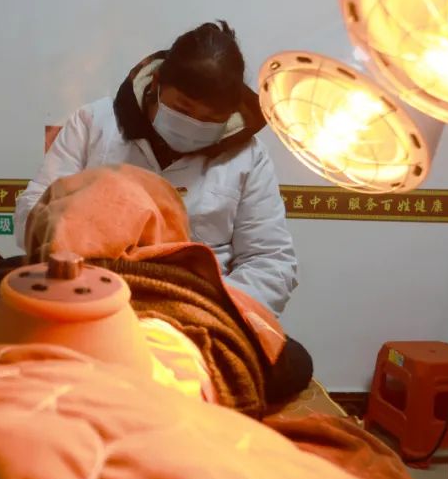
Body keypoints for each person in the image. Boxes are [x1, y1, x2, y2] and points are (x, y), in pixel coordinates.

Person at [15, 21, 299, 316]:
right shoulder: (93, 125)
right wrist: (76, 231)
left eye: (211, 120)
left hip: (198, 305)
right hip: (92, 296)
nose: (194, 125)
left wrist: (208, 309)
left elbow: (270, 262)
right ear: (156, 83)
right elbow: (32, 211)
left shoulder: (248, 156)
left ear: (231, 112)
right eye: (184, 110)